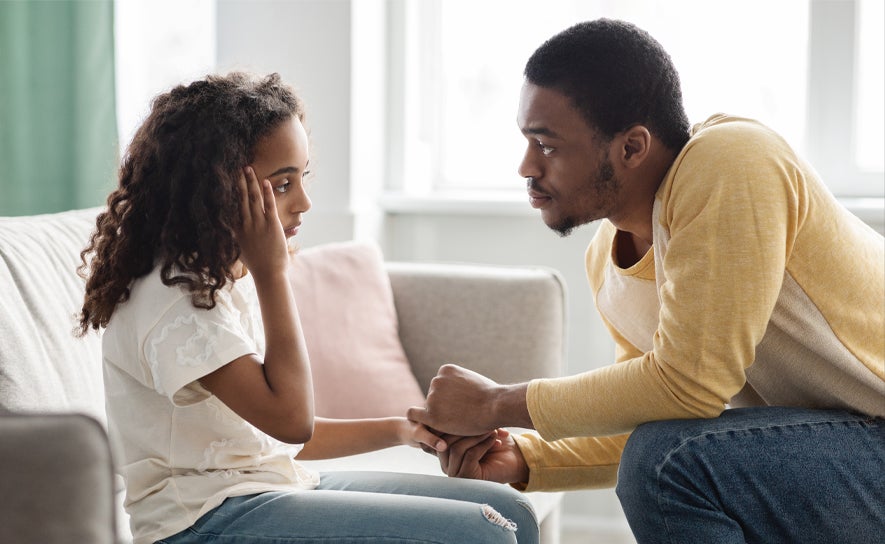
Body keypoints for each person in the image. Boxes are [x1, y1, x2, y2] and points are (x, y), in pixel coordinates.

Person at [407, 18, 885, 544]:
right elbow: (652, 413)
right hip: (841, 447)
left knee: (666, 464)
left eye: (546, 145)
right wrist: (524, 457)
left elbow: (689, 386)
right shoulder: (606, 261)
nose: (525, 166)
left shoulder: (731, 161)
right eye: (526, 141)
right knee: (662, 454)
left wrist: (496, 403)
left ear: (632, 147)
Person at [77, 72, 538, 544]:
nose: (304, 202)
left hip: (267, 488)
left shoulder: (214, 278)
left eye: (303, 177)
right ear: (215, 188)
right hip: (199, 523)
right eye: (281, 185)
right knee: (484, 532)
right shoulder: (171, 300)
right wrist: (272, 274)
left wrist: (407, 429)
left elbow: (280, 438)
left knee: (513, 510)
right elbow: (292, 420)